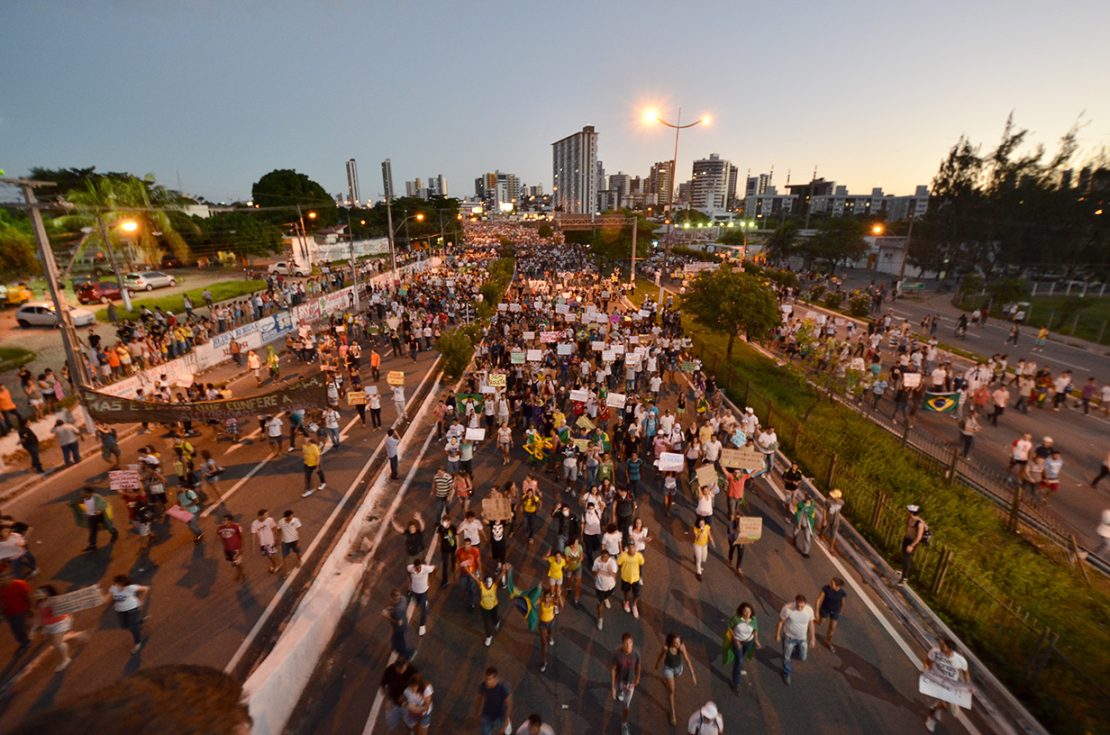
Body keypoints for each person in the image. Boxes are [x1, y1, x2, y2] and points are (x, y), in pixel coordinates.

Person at [923, 637, 971, 732]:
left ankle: (939, 708)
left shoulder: (960, 660)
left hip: (950, 685)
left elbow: (966, 673)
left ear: (949, 649)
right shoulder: (935, 652)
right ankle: (930, 717)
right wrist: (925, 671)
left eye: (942, 645)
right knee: (942, 703)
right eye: (940, 643)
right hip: (936, 681)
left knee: (948, 707)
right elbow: (927, 662)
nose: (940, 645)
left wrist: (967, 685)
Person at [655, 632, 697, 726]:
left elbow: (687, 660)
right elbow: (660, 656)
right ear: (671, 642)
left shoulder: (681, 647)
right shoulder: (666, 648)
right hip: (668, 669)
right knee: (672, 691)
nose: (678, 644)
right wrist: (657, 664)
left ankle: (668, 682)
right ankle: (672, 712)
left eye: (679, 642)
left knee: (672, 682)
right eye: (676, 642)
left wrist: (693, 675)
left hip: (678, 669)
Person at [33, 585, 77, 671]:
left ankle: (66, 659)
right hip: (49, 625)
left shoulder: (54, 601)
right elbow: (39, 617)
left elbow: (65, 608)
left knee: (57, 643)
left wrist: (70, 615)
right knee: (52, 641)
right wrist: (33, 629)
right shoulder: (39, 603)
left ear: (47, 593)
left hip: (59, 624)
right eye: (36, 592)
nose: (36, 594)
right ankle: (76, 635)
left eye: (39, 592)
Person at [775, 594, 816, 685]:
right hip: (789, 637)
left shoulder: (809, 610)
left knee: (803, 657)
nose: (800, 608)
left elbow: (811, 624)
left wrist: (813, 638)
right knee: (786, 657)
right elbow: (780, 622)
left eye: (802, 606)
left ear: (805, 604)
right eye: (798, 606)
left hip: (802, 638)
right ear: (795, 602)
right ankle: (787, 672)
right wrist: (777, 634)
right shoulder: (787, 609)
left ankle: (788, 655)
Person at [106, 574, 149, 654]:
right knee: (124, 626)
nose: (115, 585)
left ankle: (137, 643)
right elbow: (105, 600)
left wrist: (142, 600)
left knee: (132, 627)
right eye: (115, 583)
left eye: (117, 584)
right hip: (120, 610)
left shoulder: (131, 588)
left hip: (132, 608)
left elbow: (146, 588)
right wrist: (98, 596)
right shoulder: (113, 588)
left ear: (123, 584)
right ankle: (138, 623)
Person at [610, 632, 641, 735]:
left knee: (626, 705)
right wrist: (613, 688)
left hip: (630, 683)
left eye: (631, 643)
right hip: (620, 682)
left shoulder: (636, 653)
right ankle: (620, 692)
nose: (629, 646)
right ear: (622, 644)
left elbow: (638, 665)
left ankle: (624, 723)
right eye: (626, 644)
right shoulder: (617, 654)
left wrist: (638, 677)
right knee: (620, 693)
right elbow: (613, 669)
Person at [725, 601, 761, 689]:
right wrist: (736, 640)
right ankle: (735, 683)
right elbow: (729, 628)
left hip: (749, 642)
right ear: (741, 611)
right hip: (738, 642)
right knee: (739, 661)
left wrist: (756, 640)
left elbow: (755, 629)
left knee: (741, 658)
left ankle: (738, 665)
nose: (747, 614)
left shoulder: (753, 619)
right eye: (745, 611)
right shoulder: (736, 619)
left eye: (749, 612)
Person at [72, 485, 118, 552]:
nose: (80, 492)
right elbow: (76, 502)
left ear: (88, 492)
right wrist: (73, 504)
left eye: (82, 491)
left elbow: (103, 504)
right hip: (91, 517)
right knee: (92, 531)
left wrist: (99, 511)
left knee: (108, 526)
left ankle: (114, 533)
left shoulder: (96, 497)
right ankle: (92, 545)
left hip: (100, 516)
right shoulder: (83, 498)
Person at [380, 655, 418, 731]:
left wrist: (407, 697)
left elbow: (418, 687)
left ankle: (410, 729)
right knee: (390, 722)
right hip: (393, 703)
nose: (401, 672)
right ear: (395, 666)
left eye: (403, 669)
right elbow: (382, 685)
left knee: (410, 723)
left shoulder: (413, 671)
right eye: (399, 670)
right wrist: (387, 699)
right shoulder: (390, 670)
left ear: (406, 664)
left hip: (408, 704)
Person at [0, 564, 32, 651]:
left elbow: (27, 597)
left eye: (4, 577)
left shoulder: (19, 585)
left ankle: (25, 642)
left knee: (17, 629)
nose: (3, 580)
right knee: (16, 628)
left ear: (10, 576)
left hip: (20, 611)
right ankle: (25, 634)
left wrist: (29, 608)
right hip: (8, 613)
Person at [475, 565, 507, 647]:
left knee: (494, 618)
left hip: (494, 607)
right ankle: (488, 636)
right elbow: (475, 579)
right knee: (486, 623)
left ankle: (496, 622)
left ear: (492, 582)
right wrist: (468, 571)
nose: (488, 583)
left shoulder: (494, 586)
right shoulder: (482, 586)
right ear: (484, 582)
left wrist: (504, 570)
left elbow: (499, 578)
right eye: (487, 581)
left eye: (490, 581)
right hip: (484, 608)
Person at [475, 666, 512, 735]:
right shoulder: (483, 685)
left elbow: (508, 706)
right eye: (486, 679)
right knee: (485, 732)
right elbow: (479, 699)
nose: (487, 682)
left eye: (489, 679)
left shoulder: (503, 688)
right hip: (486, 715)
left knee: (499, 731)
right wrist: (477, 712)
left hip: (499, 717)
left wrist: (504, 723)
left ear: (496, 678)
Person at [814, 577, 848, 652]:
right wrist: (816, 611)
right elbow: (819, 599)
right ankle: (810, 622)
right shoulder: (826, 589)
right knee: (820, 622)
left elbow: (843, 603)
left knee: (832, 628)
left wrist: (840, 611)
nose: (830, 584)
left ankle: (828, 642)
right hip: (825, 609)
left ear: (837, 586)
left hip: (835, 611)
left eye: (832, 583)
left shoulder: (842, 593)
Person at [898, 504, 927, 585]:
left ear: (912, 513)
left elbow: (919, 537)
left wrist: (911, 546)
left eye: (908, 511)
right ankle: (902, 570)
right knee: (904, 555)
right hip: (906, 539)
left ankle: (904, 578)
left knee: (907, 559)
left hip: (912, 542)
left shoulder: (920, 523)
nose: (907, 512)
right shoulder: (909, 519)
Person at [616, 541, 644, 619]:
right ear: (627, 548)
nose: (632, 549)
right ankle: (626, 602)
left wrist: (640, 576)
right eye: (630, 547)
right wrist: (624, 571)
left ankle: (634, 605)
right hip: (625, 578)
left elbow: (641, 565)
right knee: (626, 592)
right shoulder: (623, 556)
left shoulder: (639, 556)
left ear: (635, 548)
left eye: (633, 547)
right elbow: (619, 564)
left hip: (636, 579)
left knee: (637, 594)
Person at [592, 546, 618, 631]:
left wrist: (610, 572)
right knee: (600, 603)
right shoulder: (597, 561)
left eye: (606, 557)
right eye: (603, 557)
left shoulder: (612, 563)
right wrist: (597, 571)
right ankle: (600, 619)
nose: (604, 559)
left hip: (610, 586)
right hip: (599, 587)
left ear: (609, 556)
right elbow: (593, 572)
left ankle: (606, 598)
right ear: (600, 556)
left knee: (607, 596)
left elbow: (615, 575)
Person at [383, 588, 413, 660]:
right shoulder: (403, 598)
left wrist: (387, 617)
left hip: (399, 628)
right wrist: (390, 608)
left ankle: (406, 655)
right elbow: (396, 606)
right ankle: (396, 649)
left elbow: (399, 623)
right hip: (405, 623)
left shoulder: (396, 611)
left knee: (400, 642)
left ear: (393, 598)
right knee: (395, 639)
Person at [251, 509, 281, 574]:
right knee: (268, 555)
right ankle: (276, 564)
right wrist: (253, 546)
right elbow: (253, 534)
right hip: (262, 543)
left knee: (270, 555)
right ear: (260, 516)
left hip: (270, 541)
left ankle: (276, 565)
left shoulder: (270, 520)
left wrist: (277, 538)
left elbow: (274, 528)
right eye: (266, 515)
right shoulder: (254, 523)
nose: (267, 516)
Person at [217, 514, 245, 583]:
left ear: (230, 521)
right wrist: (224, 547)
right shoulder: (220, 528)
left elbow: (241, 537)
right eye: (223, 520)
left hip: (236, 549)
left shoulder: (236, 526)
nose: (223, 521)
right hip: (227, 549)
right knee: (234, 562)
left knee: (237, 563)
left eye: (225, 520)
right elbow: (221, 537)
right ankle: (239, 572)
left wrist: (241, 548)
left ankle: (240, 573)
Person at [537, 588, 558, 672]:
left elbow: (561, 606)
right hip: (542, 624)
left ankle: (551, 637)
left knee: (550, 633)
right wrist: (538, 590)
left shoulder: (553, 602)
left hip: (551, 622)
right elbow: (533, 601)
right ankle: (544, 662)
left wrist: (558, 597)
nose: (547, 599)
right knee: (544, 644)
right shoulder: (541, 602)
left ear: (551, 597)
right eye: (545, 597)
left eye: (548, 597)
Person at [821, 489, 845, 555]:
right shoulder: (828, 501)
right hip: (828, 518)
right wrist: (824, 519)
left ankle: (831, 548)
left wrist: (840, 517)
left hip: (836, 521)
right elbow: (825, 510)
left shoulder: (841, 502)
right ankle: (821, 535)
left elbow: (839, 510)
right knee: (824, 528)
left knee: (834, 534)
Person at [692, 516, 714, 580]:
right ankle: (699, 573)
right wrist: (701, 531)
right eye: (700, 524)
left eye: (703, 523)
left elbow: (709, 533)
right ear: (698, 524)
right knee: (699, 561)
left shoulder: (707, 527)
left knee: (703, 559)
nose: (702, 525)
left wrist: (712, 540)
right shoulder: (695, 529)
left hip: (704, 545)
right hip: (697, 545)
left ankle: (695, 557)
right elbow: (698, 539)